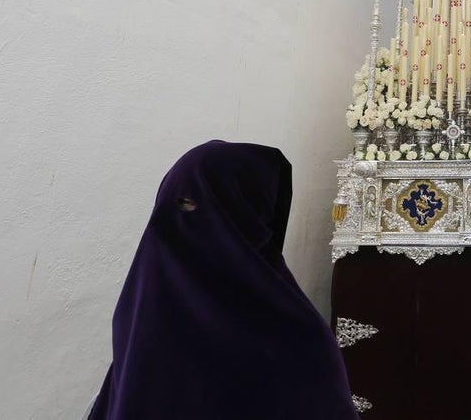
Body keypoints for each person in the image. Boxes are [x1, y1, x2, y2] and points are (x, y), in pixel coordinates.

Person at [86, 141, 360, 420]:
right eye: (177, 203)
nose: (178, 224)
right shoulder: (145, 306)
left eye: (196, 205)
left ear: (247, 216)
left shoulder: (298, 340)